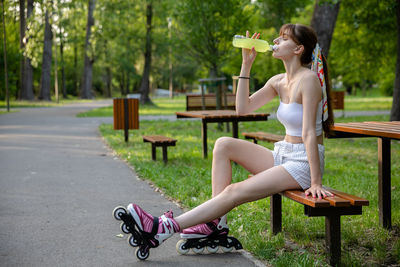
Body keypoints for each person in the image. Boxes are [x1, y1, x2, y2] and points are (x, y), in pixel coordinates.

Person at [115, 23, 336, 258]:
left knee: (234, 190)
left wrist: (316, 182)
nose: (276, 41)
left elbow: (310, 134)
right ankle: (215, 225)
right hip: (283, 154)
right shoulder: (278, 81)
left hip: (303, 163)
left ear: (298, 49)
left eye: (283, 38)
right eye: (278, 37)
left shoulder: (309, 80)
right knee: (223, 144)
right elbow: (242, 108)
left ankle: (162, 228)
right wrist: (246, 64)